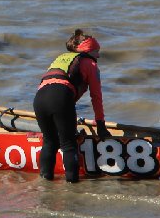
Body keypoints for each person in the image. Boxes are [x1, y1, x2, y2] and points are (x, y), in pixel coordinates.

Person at [33, 29, 108, 182]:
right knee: (68, 144)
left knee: (49, 142)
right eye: (97, 51)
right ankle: (72, 186)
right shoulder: (90, 64)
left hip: (39, 99)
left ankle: (45, 184)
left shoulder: (61, 58)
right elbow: (96, 96)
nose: (98, 56)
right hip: (60, 97)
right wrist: (100, 123)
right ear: (88, 50)